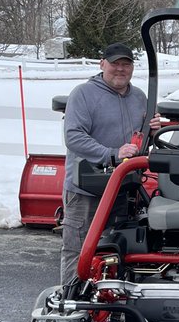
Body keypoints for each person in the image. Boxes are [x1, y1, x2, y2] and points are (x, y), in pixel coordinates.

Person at [60, 42, 149, 284]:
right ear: (102, 64)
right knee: (80, 250)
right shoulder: (83, 94)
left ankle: (109, 297)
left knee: (113, 249)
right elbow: (73, 136)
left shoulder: (139, 97)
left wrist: (150, 130)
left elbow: (139, 140)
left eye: (126, 64)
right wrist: (112, 153)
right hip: (86, 189)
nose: (120, 69)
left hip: (121, 188)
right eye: (115, 64)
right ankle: (72, 298)